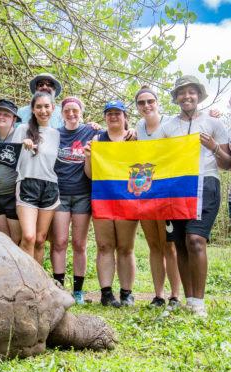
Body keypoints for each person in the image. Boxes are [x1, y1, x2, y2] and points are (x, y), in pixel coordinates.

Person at [160, 75, 231, 317]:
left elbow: (228, 163)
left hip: (206, 184)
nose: (186, 96)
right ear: (176, 98)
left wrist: (213, 147)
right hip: (176, 187)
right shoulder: (168, 126)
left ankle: (199, 304)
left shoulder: (214, 124)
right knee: (180, 243)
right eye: (182, 92)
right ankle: (189, 299)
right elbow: (157, 156)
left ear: (199, 96)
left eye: (191, 92)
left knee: (196, 240)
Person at [84, 100, 138, 307]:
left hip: (128, 198)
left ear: (125, 117)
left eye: (117, 113)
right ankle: (106, 294)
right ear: (105, 117)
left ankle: (127, 293)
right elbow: (89, 174)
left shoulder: (134, 139)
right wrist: (88, 158)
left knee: (125, 247)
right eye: (109, 113)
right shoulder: (97, 139)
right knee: (104, 246)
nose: (113, 117)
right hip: (103, 196)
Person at [50, 96, 102, 304]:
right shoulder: (55, 134)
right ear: (61, 114)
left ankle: (78, 291)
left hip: (83, 194)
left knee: (79, 244)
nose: (71, 114)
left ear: (81, 112)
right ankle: (59, 288)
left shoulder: (92, 131)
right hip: (60, 193)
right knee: (60, 242)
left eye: (75, 110)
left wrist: (131, 132)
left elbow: (114, 137)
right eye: (67, 111)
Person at [134, 86, 181, 309]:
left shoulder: (171, 123)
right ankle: (159, 295)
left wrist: (212, 115)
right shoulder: (138, 128)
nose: (146, 106)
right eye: (141, 103)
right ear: (137, 106)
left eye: (150, 101)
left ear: (157, 102)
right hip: (145, 192)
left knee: (169, 245)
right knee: (154, 245)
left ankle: (175, 295)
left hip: (167, 192)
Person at [13, 91, 60, 264]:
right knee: (29, 236)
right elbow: (11, 159)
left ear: (53, 108)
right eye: (38, 107)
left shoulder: (57, 134)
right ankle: (24, 281)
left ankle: (38, 286)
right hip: (27, 183)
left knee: (41, 239)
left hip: (50, 186)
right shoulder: (22, 129)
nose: (43, 110)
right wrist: (22, 144)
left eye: (47, 106)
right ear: (32, 109)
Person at [0, 99, 22, 243]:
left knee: (16, 241)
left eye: (6, 114)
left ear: (14, 118)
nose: (1, 117)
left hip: (14, 195)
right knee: (2, 241)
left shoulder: (20, 135)